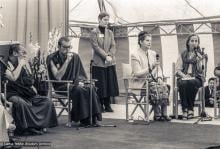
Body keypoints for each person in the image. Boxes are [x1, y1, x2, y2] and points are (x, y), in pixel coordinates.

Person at [47, 36, 102, 126]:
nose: (67, 50)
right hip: (61, 86)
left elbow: (81, 74)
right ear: (59, 46)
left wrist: (82, 82)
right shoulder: (51, 58)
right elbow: (58, 77)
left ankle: (92, 119)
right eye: (65, 47)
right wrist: (67, 61)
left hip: (75, 83)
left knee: (90, 87)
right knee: (79, 90)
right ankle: (83, 119)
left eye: (69, 47)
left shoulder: (75, 56)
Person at [5, 44, 58, 135]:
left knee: (47, 101)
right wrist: (21, 65)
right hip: (12, 93)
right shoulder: (5, 64)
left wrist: (28, 69)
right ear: (14, 53)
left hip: (25, 93)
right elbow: (13, 78)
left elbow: (29, 80)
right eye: (23, 53)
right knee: (21, 103)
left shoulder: (22, 65)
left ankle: (39, 125)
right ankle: (27, 128)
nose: (25, 55)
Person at [130, 31, 171, 121]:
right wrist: (150, 68)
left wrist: (160, 77)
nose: (150, 42)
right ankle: (157, 114)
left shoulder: (153, 53)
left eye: (150, 41)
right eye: (147, 40)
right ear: (140, 42)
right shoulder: (135, 55)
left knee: (165, 85)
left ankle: (164, 113)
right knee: (154, 86)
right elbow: (137, 73)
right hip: (140, 83)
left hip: (151, 81)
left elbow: (158, 68)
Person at [90, 12, 119, 112]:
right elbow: (95, 47)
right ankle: (100, 105)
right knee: (100, 85)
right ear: (99, 19)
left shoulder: (110, 32)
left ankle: (107, 104)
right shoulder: (94, 32)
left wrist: (110, 55)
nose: (106, 22)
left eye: (107, 20)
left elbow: (113, 46)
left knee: (109, 84)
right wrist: (105, 56)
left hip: (109, 62)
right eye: (105, 20)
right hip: (99, 63)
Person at [176, 34, 206, 119]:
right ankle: (185, 109)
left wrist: (200, 60)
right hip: (184, 76)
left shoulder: (200, 55)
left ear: (198, 43)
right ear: (188, 43)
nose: (194, 43)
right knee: (183, 83)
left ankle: (190, 108)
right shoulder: (183, 54)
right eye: (192, 41)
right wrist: (184, 76)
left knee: (191, 82)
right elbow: (178, 70)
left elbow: (201, 71)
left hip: (197, 78)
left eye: (196, 41)